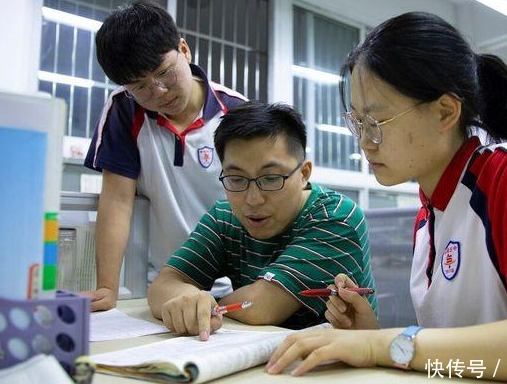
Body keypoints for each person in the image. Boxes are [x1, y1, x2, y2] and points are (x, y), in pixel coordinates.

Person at [266, 12, 507, 382]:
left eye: (376, 122)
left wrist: (384, 345)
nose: (365, 141)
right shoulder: (427, 217)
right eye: (357, 123)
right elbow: (456, 353)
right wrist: (367, 336)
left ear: (445, 111)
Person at [147, 101, 377, 340]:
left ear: (303, 174)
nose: (253, 199)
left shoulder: (337, 217)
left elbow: (261, 307)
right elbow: (164, 285)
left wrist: (205, 305)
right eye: (236, 179)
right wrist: (187, 298)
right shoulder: (225, 216)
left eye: (270, 178)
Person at [84, 0, 246, 311]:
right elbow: (117, 201)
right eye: (140, 86)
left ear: (184, 50)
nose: (158, 92)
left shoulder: (237, 113)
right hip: (158, 287)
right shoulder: (123, 109)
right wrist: (107, 286)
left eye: (164, 73)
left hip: (232, 284)